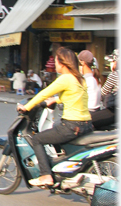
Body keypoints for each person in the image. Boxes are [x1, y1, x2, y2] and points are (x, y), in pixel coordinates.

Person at [17, 47, 93, 187]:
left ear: (63, 63)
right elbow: (76, 97)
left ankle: (45, 175)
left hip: (71, 125)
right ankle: (60, 168)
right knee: (55, 127)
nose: (55, 65)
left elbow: (43, 94)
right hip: (86, 124)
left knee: (37, 139)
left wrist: (26, 107)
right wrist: (57, 100)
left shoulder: (65, 78)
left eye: (56, 61)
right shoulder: (79, 79)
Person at [91, 50, 118, 130]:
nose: (111, 63)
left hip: (114, 111)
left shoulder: (115, 74)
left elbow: (103, 92)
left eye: (113, 61)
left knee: (89, 121)